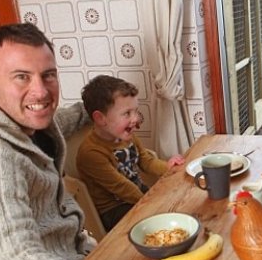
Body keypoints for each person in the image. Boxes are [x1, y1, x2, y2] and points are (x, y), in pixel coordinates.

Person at [0, 23, 212, 260]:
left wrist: (104, 108)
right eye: (21, 77)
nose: (40, 90)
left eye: (48, 75)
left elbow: (67, 117)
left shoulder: (31, 121)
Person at [77, 75, 185, 231]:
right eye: (127, 113)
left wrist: (168, 167)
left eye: (135, 111)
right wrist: (151, 203)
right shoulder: (91, 153)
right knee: (162, 222)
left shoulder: (125, 136)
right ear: (100, 119)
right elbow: (122, 187)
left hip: (138, 195)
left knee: (176, 201)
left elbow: (147, 161)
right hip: (115, 210)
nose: (135, 118)